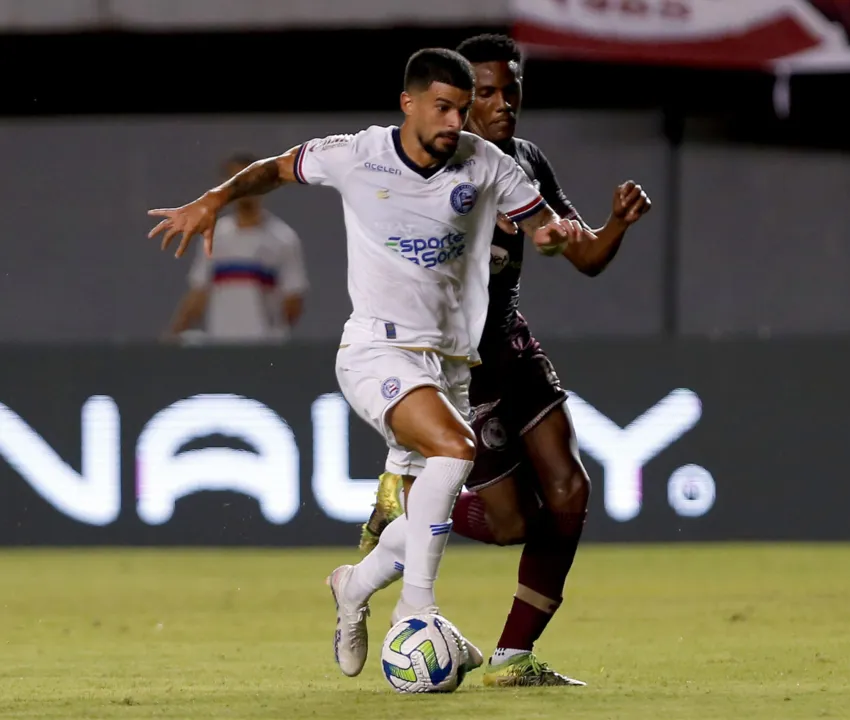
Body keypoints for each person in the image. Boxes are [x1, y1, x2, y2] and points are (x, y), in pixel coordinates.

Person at [146, 47, 592, 680]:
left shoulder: (484, 162)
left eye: (462, 110)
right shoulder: (357, 154)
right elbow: (274, 169)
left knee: (420, 521)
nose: (454, 122)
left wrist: (574, 234)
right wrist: (213, 199)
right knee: (455, 451)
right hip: (376, 350)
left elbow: (547, 229)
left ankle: (353, 588)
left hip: (451, 365)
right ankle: (418, 613)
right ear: (407, 104)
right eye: (443, 108)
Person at [353, 34, 652, 687]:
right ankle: (403, 502)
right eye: (484, 93)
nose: (501, 103)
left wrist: (613, 225)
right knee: (514, 521)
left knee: (571, 488)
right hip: (463, 364)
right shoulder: (439, 165)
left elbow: (584, 257)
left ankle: (513, 656)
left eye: (510, 90)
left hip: (511, 343)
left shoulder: (524, 162)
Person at [163, 152, 308, 345]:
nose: (244, 190)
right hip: (221, 348)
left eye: (250, 181)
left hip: (265, 350)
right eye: (236, 182)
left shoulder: (283, 239)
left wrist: (272, 333)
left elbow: (293, 300)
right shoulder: (215, 235)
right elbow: (199, 293)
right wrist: (174, 333)